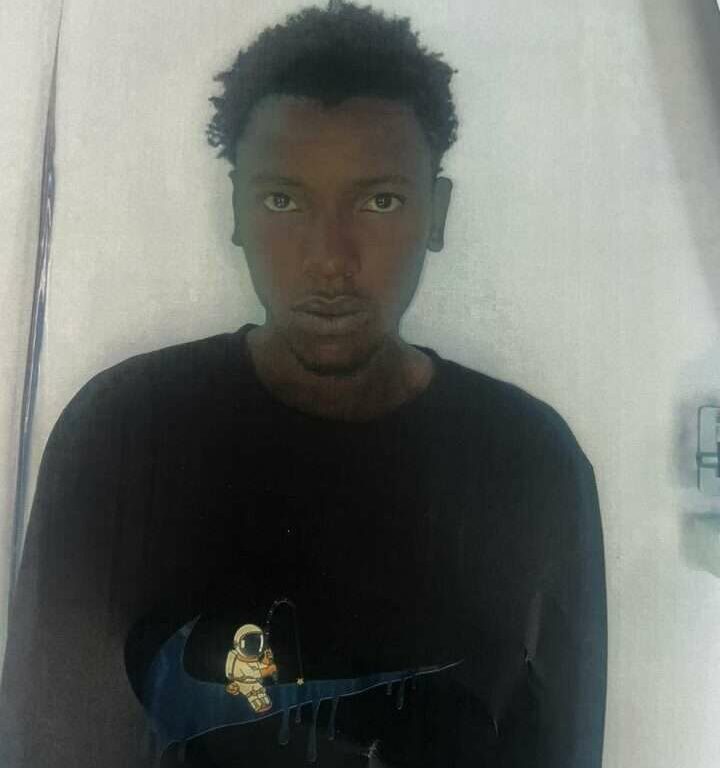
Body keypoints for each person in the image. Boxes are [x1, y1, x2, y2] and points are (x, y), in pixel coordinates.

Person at [0, 2, 607, 766]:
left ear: (437, 212)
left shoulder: (531, 462)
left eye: (379, 201)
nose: (329, 258)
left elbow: (565, 749)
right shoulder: (123, 433)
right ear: (237, 211)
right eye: (283, 200)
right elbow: (43, 744)